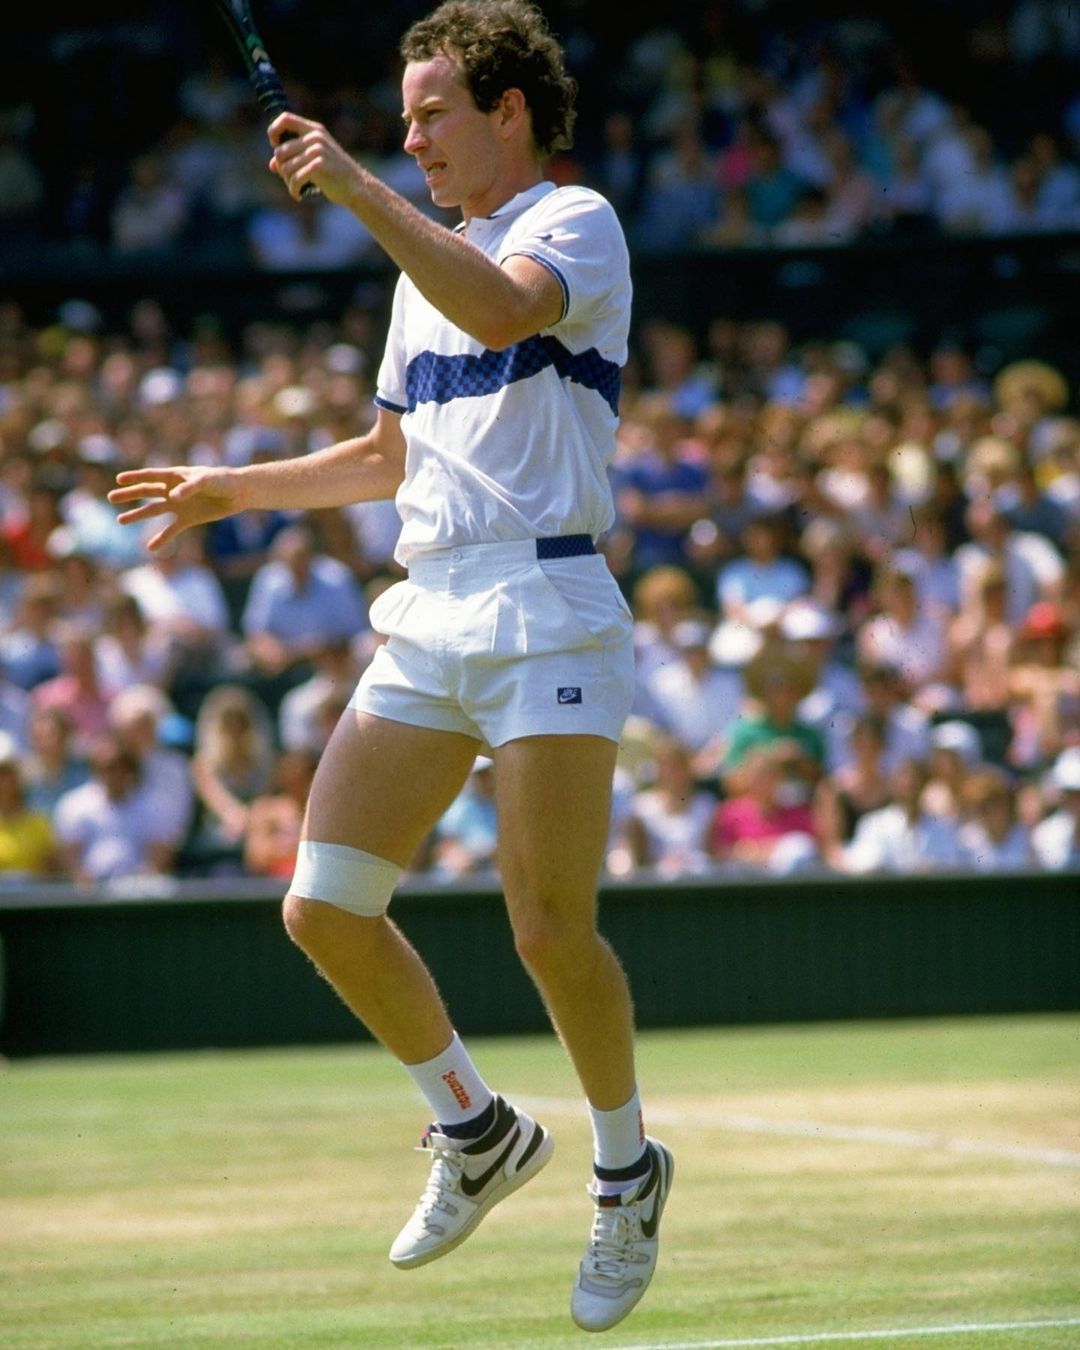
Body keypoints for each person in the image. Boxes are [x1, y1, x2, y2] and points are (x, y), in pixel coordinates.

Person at [109, 1, 672, 1332]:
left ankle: (627, 1170)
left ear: (509, 112)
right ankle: (477, 1130)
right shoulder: (422, 268)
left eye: (432, 114)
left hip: (548, 598)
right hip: (431, 608)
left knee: (548, 928)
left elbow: (502, 305)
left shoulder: (573, 220)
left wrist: (356, 186)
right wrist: (231, 487)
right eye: (402, 120)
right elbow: (385, 458)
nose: (412, 137)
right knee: (323, 905)